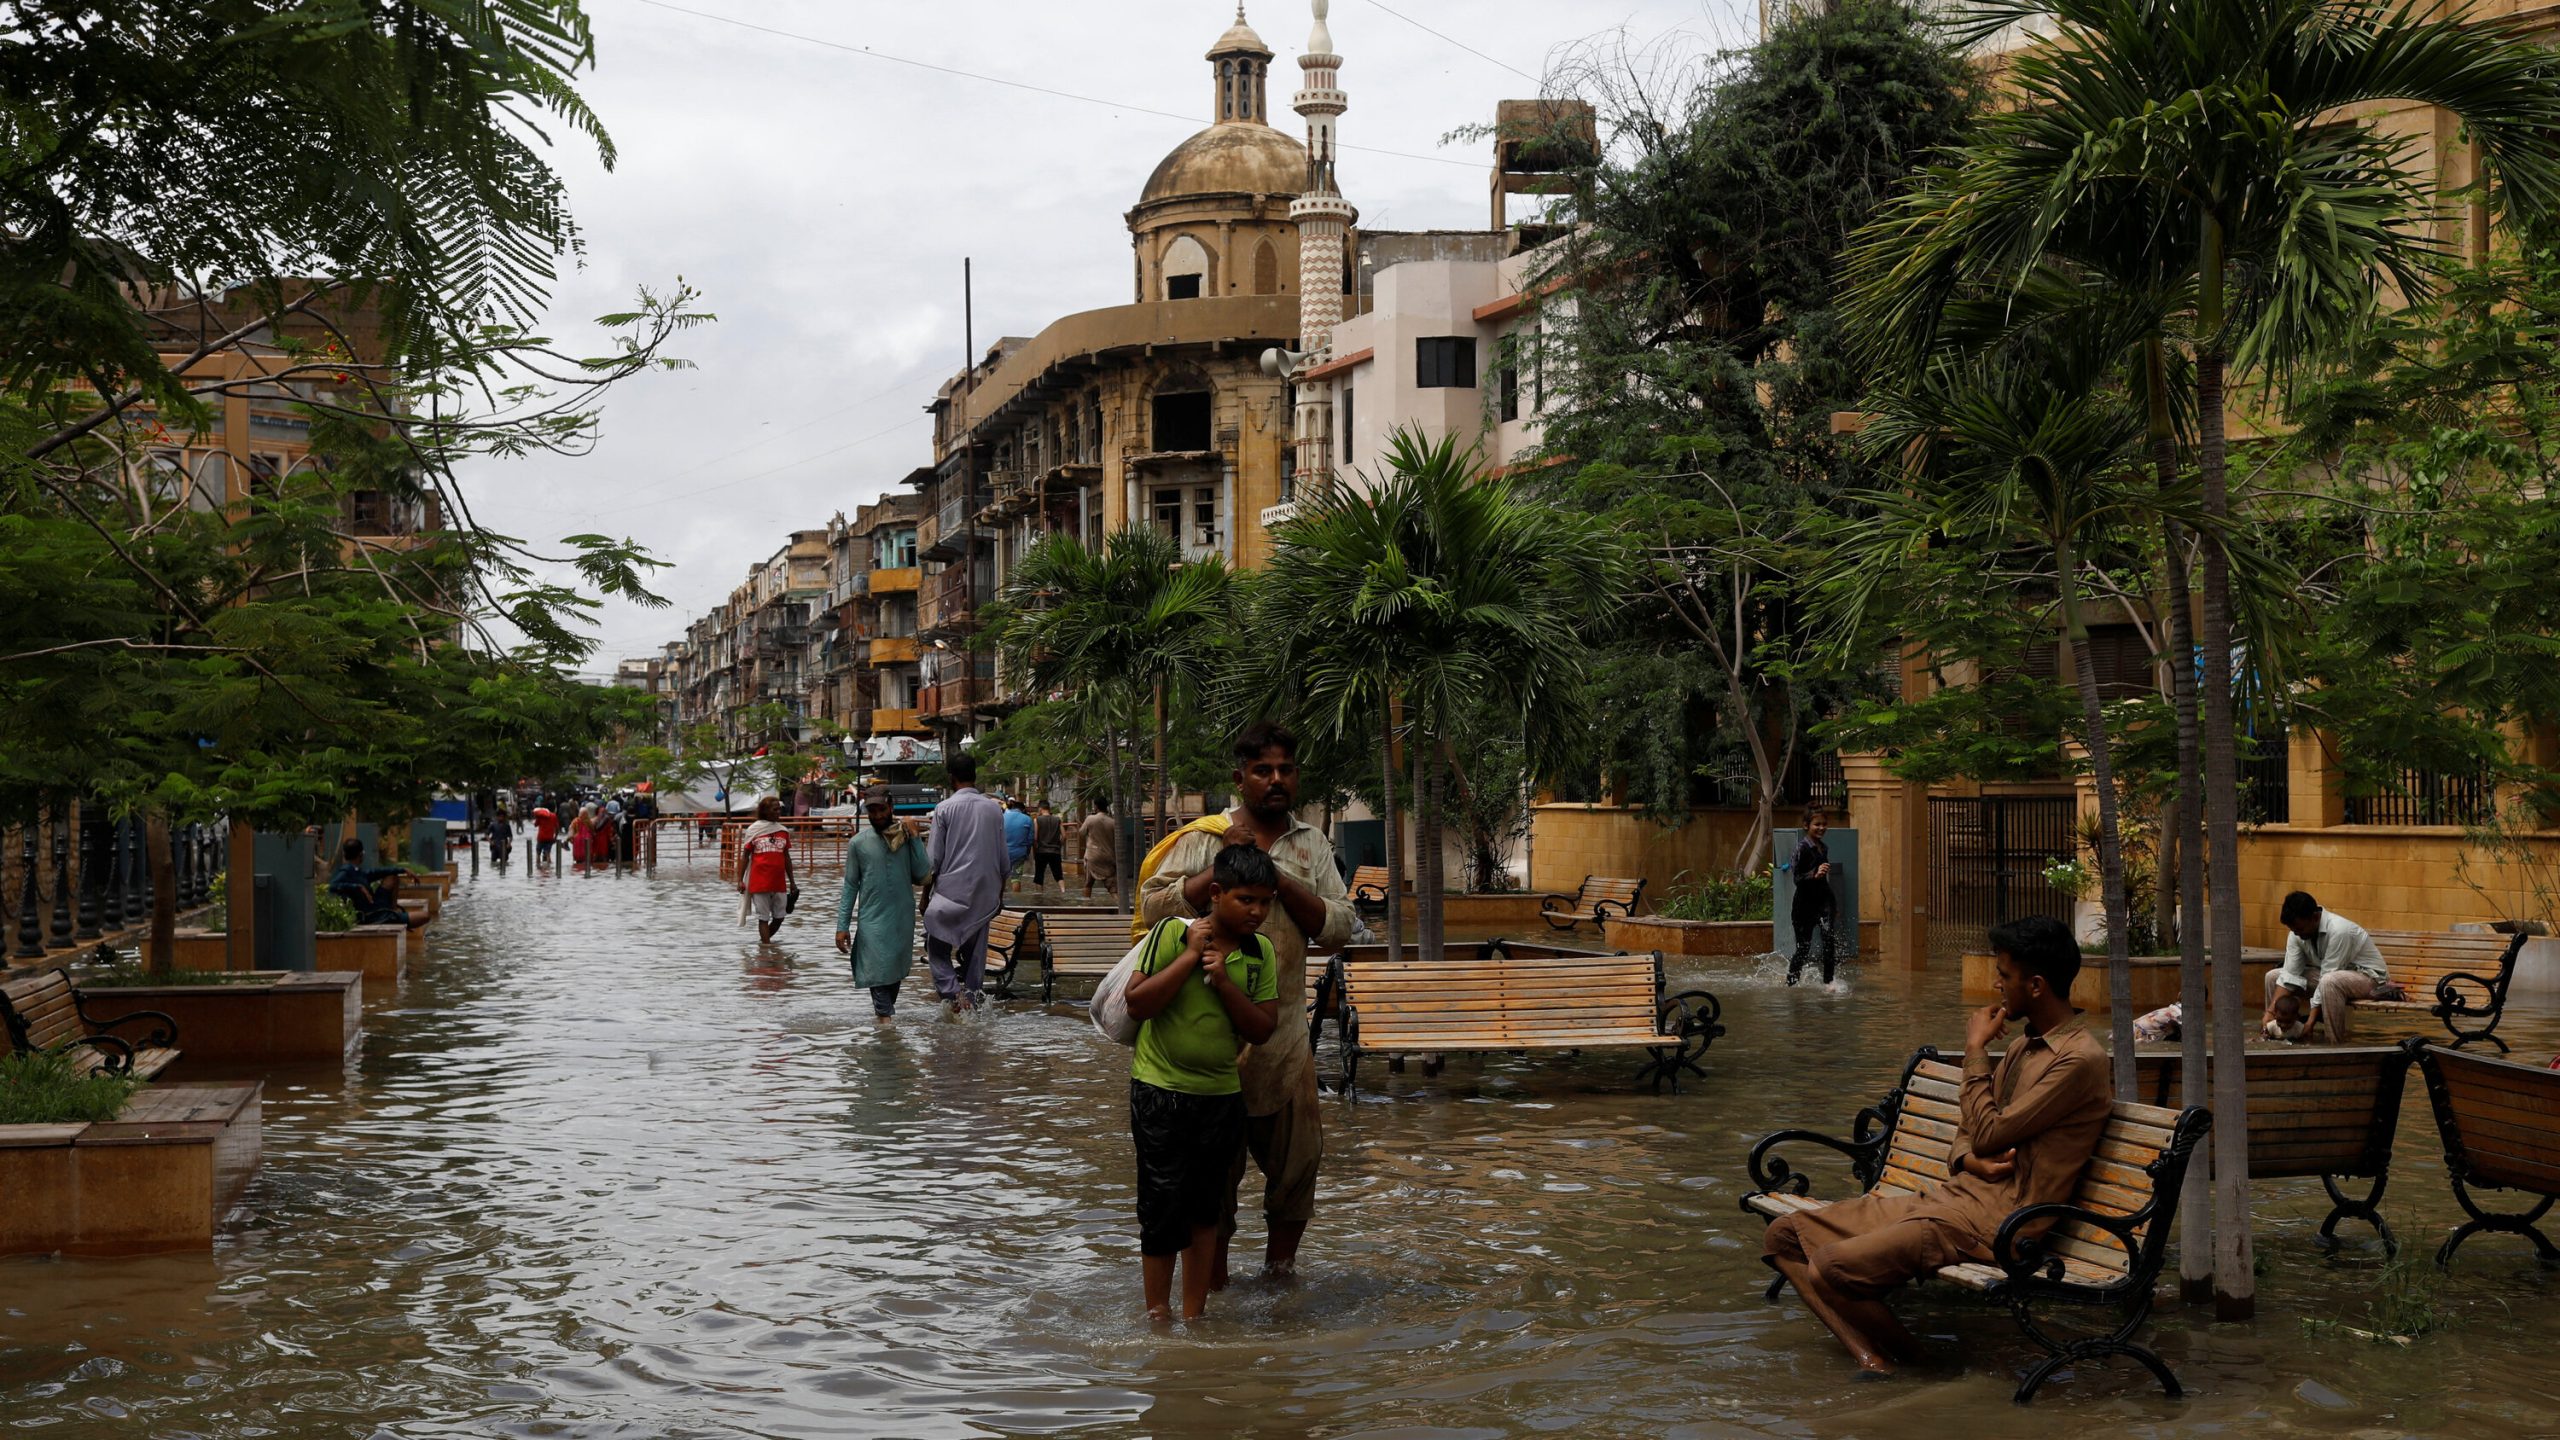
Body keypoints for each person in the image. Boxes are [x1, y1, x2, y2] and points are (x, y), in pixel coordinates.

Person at [1761, 914, 2109, 1374]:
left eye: (2004, 975)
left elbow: (1986, 1130)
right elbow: (1972, 1130)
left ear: (2037, 985)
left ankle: (1927, 1368)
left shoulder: (2078, 1061)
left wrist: (1975, 1049)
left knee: (1830, 1267)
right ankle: (1872, 1357)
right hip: (1951, 1201)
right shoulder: (2027, 1046)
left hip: (1996, 1228)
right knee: (1782, 1236)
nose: (1996, 984)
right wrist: (1966, 1158)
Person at [1141, 721, 1354, 1284]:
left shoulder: (1310, 844)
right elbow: (1153, 907)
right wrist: (1221, 867)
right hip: (1206, 1053)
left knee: (1297, 1173)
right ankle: (1214, 1295)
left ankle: (1279, 1287)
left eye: (1285, 769)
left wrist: (1278, 880)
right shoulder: (1202, 838)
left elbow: (1339, 927)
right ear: (1240, 779)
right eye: (1263, 771)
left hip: (1283, 1042)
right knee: (1209, 1188)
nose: (1276, 779)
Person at [1126, 843, 1283, 1322]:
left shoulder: (1260, 952)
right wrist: (1191, 958)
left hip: (1220, 1099)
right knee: (1160, 1206)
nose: (1257, 911)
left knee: (1204, 1211)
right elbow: (1138, 1002)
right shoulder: (1173, 933)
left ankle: (1193, 1317)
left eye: (1265, 901)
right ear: (1216, 893)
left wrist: (1226, 983)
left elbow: (1261, 1029)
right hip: (1159, 1093)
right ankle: (1158, 1316)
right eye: (1246, 900)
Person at [835, 784, 934, 1021]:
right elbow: (850, 885)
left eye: (881, 810)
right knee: (877, 973)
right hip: (872, 921)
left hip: (901, 919)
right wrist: (842, 925)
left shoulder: (905, 838)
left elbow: (923, 876)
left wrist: (915, 838)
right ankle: (886, 1029)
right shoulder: (858, 843)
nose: (877, 816)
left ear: (891, 808)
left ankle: (885, 1028)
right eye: (872, 811)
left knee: (893, 975)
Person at [922, 753, 1008, 1013]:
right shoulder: (994, 808)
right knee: (975, 954)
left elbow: (933, 859)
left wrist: (925, 896)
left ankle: (953, 995)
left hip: (951, 892)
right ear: (975, 776)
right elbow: (1004, 859)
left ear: (951, 778)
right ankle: (971, 999)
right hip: (985, 893)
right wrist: (999, 895)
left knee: (935, 946)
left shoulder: (944, 808)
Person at [2263, 890, 2394, 1043]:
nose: (2297, 934)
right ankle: (2278, 1035)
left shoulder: (2339, 930)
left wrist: (2309, 1023)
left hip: (2370, 980)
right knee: (2273, 976)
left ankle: (2334, 1044)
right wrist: (2270, 1012)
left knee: (2329, 981)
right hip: (2332, 976)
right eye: (2294, 930)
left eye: (2300, 929)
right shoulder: (2296, 933)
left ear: (2315, 917)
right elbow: (2289, 974)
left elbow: (2328, 976)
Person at [1786, 809, 1841, 987]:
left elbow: (1823, 882)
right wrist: (1814, 874)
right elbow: (1797, 878)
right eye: (1817, 824)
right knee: (1803, 948)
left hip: (1824, 902)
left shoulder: (1824, 847)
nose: (1821, 828)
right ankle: (1791, 983)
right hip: (1804, 905)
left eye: (1824, 824)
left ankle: (1829, 983)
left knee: (1828, 941)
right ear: (1806, 826)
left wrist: (1833, 906)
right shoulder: (1801, 848)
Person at [735, 796, 795, 944]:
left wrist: (792, 882)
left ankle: (763, 943)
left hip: (779, 882)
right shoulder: (754, 830)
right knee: (763, 918)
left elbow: (786, 857)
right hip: (759, 882)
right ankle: (767, 950)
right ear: (765, 811)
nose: (778, 812)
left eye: (779, 809)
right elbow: (745, 857)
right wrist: (740, 880)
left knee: (780, 917)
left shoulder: (783, 831)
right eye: (774, 810)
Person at [329, 839, 427, 928]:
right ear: (361, 855)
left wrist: (403, 869)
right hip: (371, 915)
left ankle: (393, 911)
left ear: (344, 855)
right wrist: (357, 887)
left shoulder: (358, 871)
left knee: (392, 876)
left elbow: (379, 871)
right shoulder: (345, 872)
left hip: (375, 905)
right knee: (424, 915)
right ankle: (391, 919)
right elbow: (332, 886)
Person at [1080, 797, 1121, 900]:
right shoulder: (1112, 822)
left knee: (1088, 884)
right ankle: (1121, 907)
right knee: (1112, 888)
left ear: (1096, 806)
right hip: (1109, 857)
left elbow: (1081, 833)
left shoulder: (1090, 819)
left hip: (1093, 856)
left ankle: (1086, 908)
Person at [1002, 796, 1035, 891]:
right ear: (1023, 809)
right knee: (1016, 878)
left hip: (1003, 852)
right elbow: (1030, 839)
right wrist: (1027, 853)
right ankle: (1016, 901)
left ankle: (1001, 901)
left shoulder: (1002, 817)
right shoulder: (1028, 819)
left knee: (1001, 877)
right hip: (1019, 853)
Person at [1032, 803, 1066, 891]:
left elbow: (1035, 838)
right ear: (1049, 809)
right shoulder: (1057, 819)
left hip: (1041, 851)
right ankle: (1063, 891)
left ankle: (1039, 897)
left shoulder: (1037, 820)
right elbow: (1064, 836)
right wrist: (1059, 845)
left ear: (1040, 809)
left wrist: (1036, 848)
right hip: (1055, 851)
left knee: (1039, 876)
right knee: (1059, 875)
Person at [532, 803, 559, 868]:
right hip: (549, 838)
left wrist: (535, 818)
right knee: (548, 854)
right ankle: (548, 869)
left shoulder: (540, 816)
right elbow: (557, 828)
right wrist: (555, 837)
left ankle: (538, 867)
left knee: (538, 853)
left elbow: (535, 825)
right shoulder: (554, 816)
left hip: (541, 838)